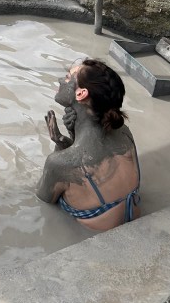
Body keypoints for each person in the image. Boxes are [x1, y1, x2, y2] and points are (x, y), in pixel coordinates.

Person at [36, 58, 141, 231]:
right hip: (134, 216)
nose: (61, 80)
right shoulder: (124, 132)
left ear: (80, 94)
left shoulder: (59, 163)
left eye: (68, 77)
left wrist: (60, 147)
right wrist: (70, 136)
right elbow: (91, 155)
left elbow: (43, 200)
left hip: (97, 238)